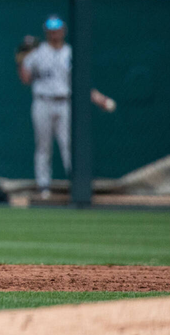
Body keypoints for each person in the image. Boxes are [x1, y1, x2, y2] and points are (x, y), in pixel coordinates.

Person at [17, 15, 116, 199]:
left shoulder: (70, 53)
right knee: (43, 146)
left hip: (65, 103)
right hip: (43, 101)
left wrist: (99, 99)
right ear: (47, 32)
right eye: (51, 30)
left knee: (69, 145)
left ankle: (77, 187)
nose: (55, 33)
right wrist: (21, 60)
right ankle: (43, 187)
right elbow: (25, 79)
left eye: (57, 30)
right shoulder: (37, 53)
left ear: (63, 31)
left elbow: (80, 83)